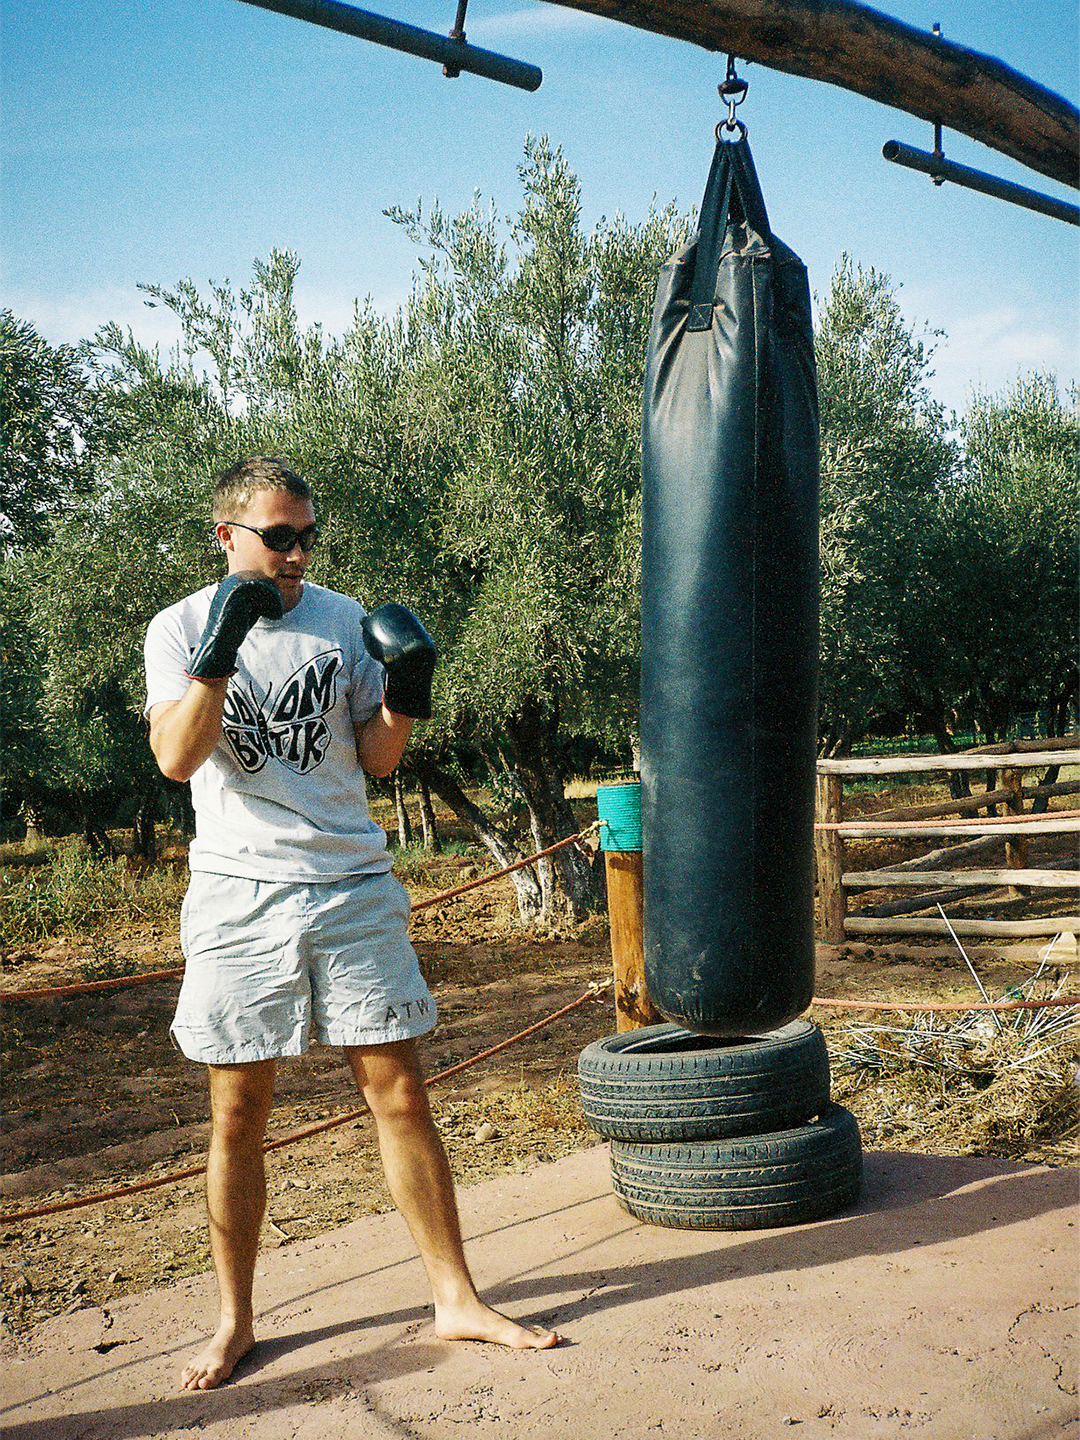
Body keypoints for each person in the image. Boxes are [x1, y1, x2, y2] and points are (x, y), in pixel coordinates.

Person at [144, 455, 558, 1391]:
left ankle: (455, 1297)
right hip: (239, 894)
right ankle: (234, 1319)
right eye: (277, 536)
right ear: (229, 536)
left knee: (400, 1094)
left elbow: (377, 760)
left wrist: (409, 688)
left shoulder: (341, 619)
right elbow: (177, 758)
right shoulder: (175, 627)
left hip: (351, 885)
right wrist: (221, 643)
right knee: (238, 1115)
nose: (295, 554)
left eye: (306, 536)